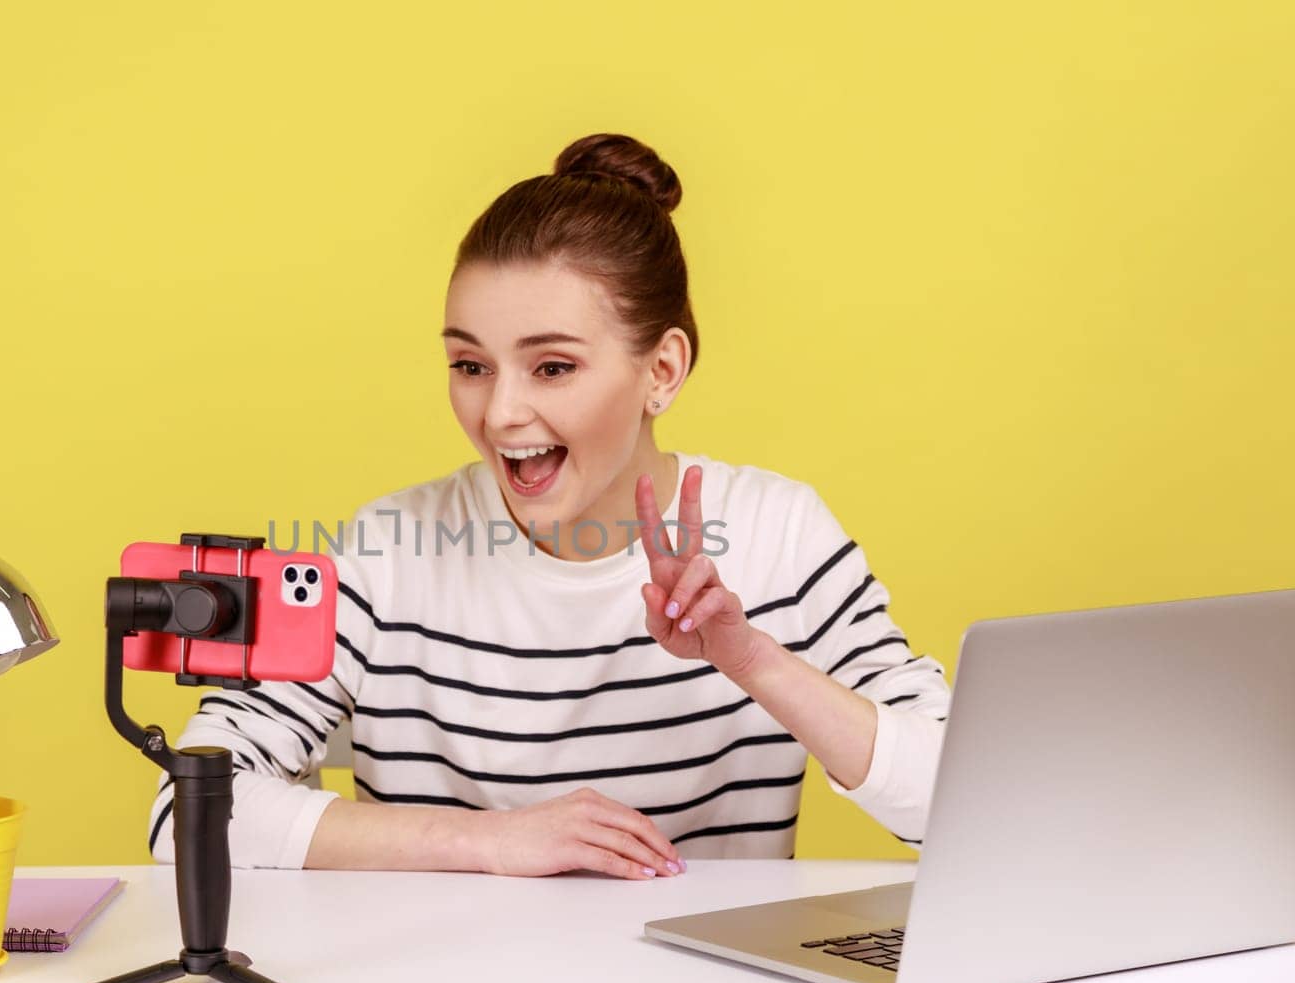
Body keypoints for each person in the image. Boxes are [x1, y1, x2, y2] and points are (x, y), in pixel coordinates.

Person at [147, 132, 951, 879]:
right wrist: (493, 840)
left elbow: (955, 799)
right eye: (470, 364)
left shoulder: (780, 534)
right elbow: (189, 807)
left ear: (662, 370)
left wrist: (751, 660)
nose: (499, 414)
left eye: (553, 367)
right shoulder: (385, 552)